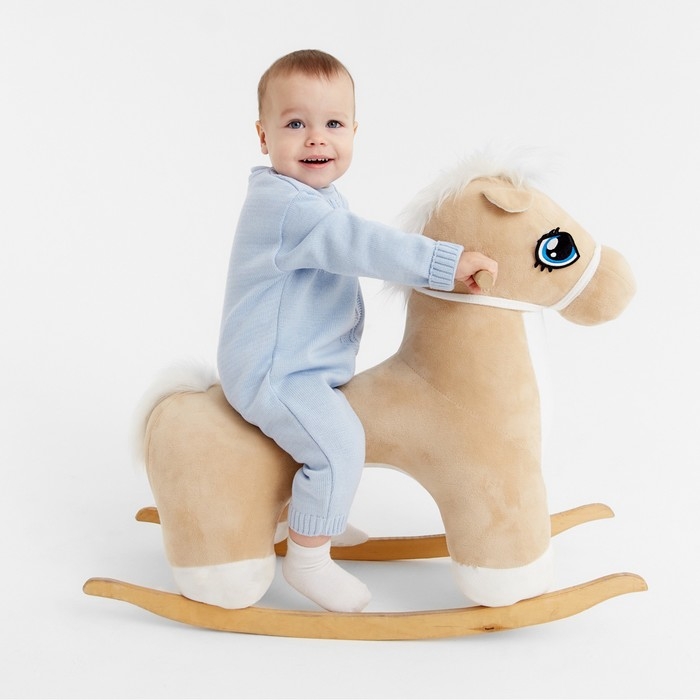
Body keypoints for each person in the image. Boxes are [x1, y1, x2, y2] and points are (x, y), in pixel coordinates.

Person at [217, 49, 498, 613]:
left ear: (353, 131)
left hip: (303, 365)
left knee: (345, 429)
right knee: (339, 444)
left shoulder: (312, 196)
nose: (316, 138)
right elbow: (361, 244)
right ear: (263, 136)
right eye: (294, 124)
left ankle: (316, 509)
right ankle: (308, 559)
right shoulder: (288, 208)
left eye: (333, 123)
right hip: (275, 372)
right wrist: (443, 263)